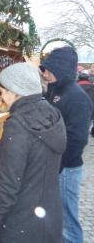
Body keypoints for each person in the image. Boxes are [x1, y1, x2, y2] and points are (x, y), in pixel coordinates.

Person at [0, 62, 67, 243]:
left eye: (4, 90)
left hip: (21, 225)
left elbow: (7, 185)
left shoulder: (18, 126)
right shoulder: (53, 114)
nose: (1, 95)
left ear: (17, 92)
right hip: (49, 217)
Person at [40, 47, 92, 243]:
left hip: (67, 168)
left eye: (49, 69)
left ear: (60, 69)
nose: (45, 73)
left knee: (68, 221)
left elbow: (77, 140)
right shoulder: (54, 91)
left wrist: (59, 163)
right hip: (56, 165)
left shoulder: (77, 97)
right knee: (57, 217)